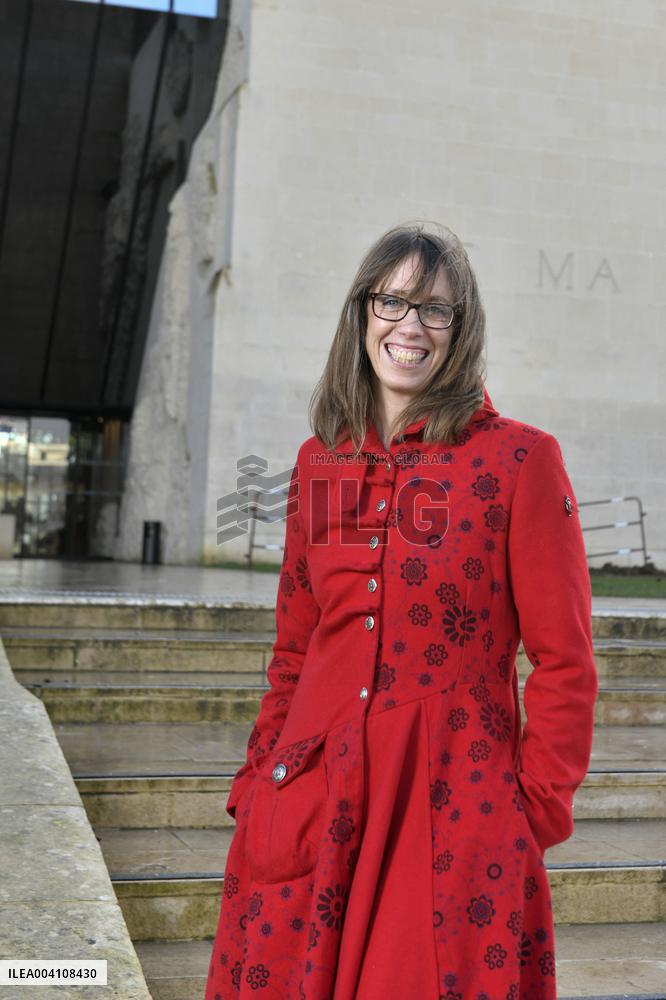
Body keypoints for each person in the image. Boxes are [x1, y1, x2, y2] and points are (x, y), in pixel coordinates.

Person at [205, 222, 598, 999]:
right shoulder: (318, 462)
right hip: (314, 797)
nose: (410, 326)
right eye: (393, 301)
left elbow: (565, 661)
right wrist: (257, 785)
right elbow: (294, 649)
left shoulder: (521, 460)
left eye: (436, 310)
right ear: (362, 313)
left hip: (456, 813)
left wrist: (534, 812)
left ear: (462, 329)